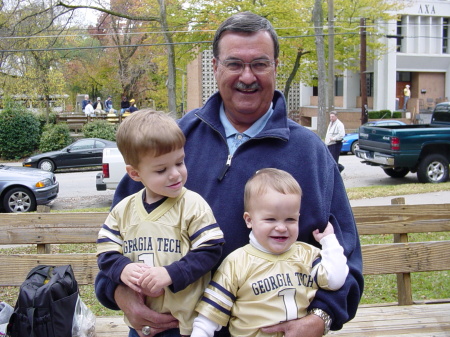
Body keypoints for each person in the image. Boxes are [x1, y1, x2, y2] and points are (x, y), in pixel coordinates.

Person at [95, 11, 363, 337]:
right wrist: (120, 294)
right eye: (234, 64)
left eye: (260, 64)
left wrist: (321, 317)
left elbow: (345, 250)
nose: (247, 77)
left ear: (276, 68)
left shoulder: (310, 153)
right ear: (215, 67)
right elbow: (117, 229)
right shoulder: (172, 141)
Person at [96, 109, 225, 337]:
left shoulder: (193, 205)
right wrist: (122, 268)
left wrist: (171, 273)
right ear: (135, 173)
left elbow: (211, 249)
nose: (175, 174)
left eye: (180, 162)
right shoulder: (123, 211)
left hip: (185, 324)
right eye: (161, 169)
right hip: (141, 324)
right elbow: (106, 251)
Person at [191, 168, 349, 337]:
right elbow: (210, 314)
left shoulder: (307, 255)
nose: (281, 227)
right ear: (249, 220)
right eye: (270, 219)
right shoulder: (237, 262)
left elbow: (335, 280)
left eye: (290, 219)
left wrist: (329, 241)